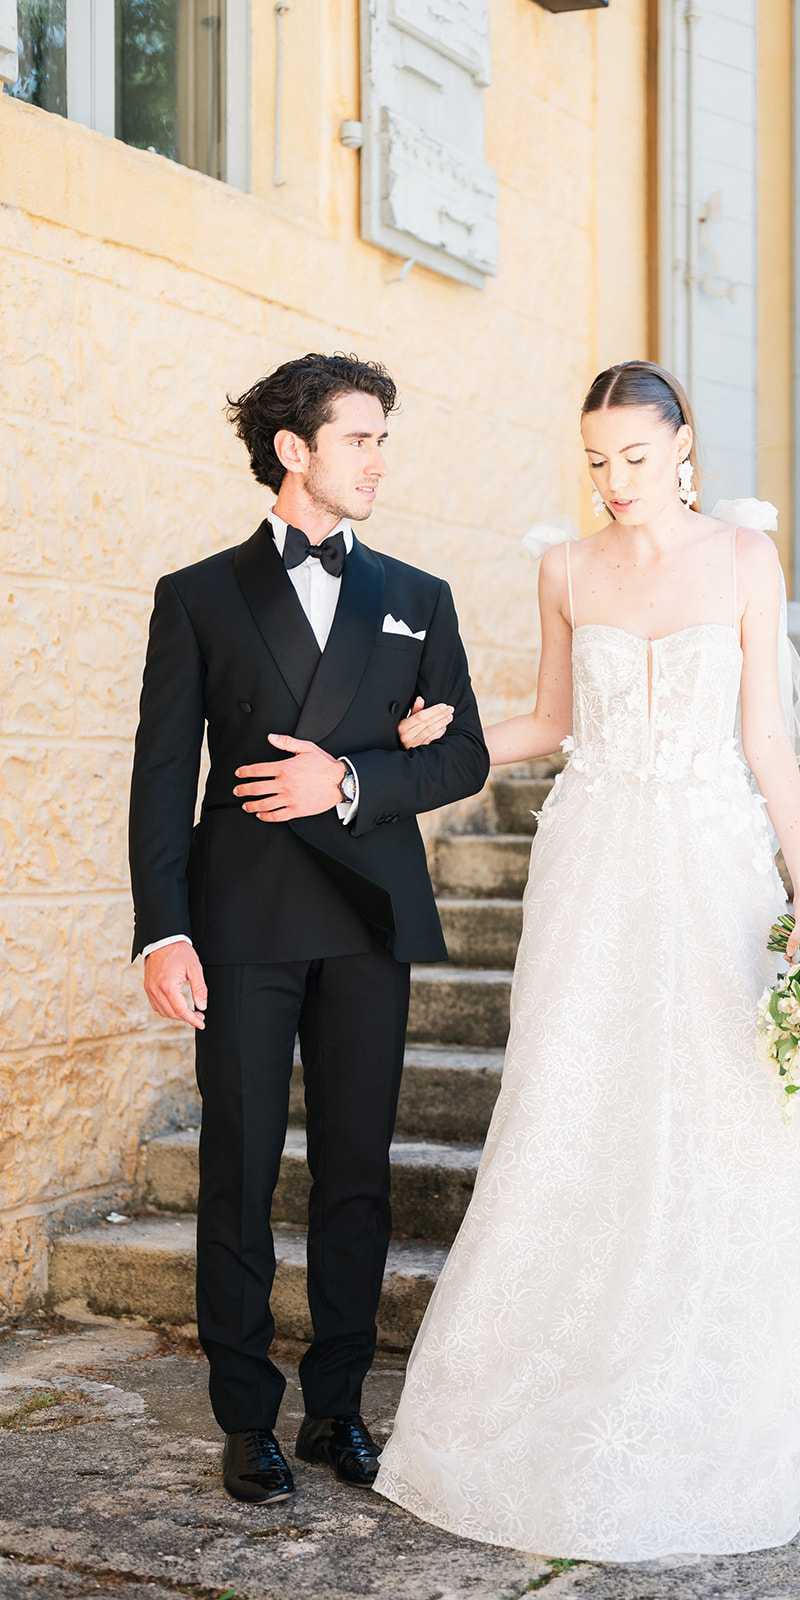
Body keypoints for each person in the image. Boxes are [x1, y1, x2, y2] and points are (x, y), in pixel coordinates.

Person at [372, 359, 800, 1559]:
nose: (615, 481)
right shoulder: (565, 567)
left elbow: (766, 743)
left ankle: (723, 1367)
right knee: (577, 1097)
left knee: (721, 1102)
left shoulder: (742, 562)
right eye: (596, 461)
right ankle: (568, 1362)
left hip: (710, 863)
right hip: (592, 864)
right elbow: (550, 719)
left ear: (681, 448)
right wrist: (446, 732)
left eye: (634, 457)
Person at [128, 352, 489, 1505]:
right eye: (360, 438)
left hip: (367, 918)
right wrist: (161, 932)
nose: (379, 460)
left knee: (355, 1175)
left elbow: (465, 753)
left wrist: (352, 778)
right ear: (294, 450)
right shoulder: (198, 594)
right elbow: (157, 780)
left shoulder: (417, 595)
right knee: (236, 1171)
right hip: (238, 921)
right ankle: (248, 1417)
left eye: (384, 438)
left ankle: (337, 1407)